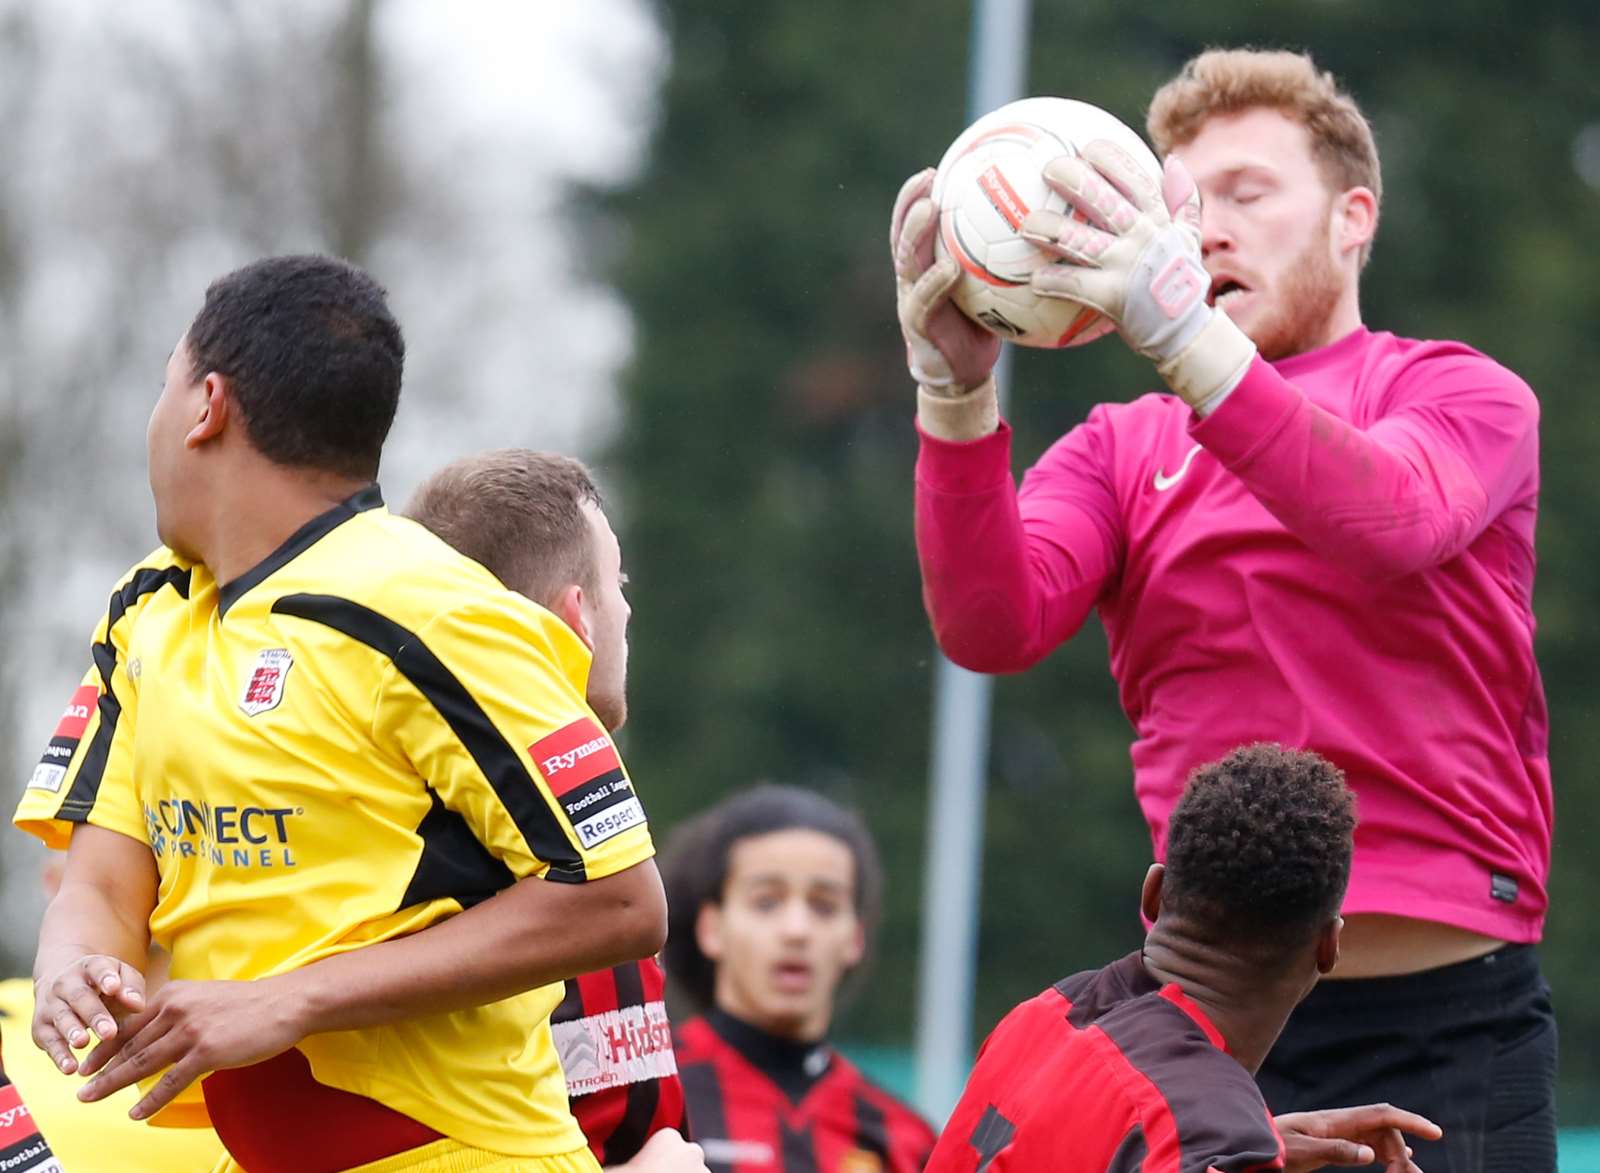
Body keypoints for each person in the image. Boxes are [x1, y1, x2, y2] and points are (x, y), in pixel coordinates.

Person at [891, 48, 1553, 1170]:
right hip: (1206, 1033)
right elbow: (989, 628)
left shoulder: (1459, 391)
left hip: (1453, 1018)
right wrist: (953, 395)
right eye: (1180, 205)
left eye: (1248, 193)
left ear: (1353, 219)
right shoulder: (1118, 443)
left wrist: (1188, 347)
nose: (1201, 231)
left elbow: (1387, 519)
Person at [13, 255, 673, 1173]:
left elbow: (622, 897)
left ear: (206, 405)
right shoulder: (147, 612)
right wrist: (73, 967)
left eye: (163, 384)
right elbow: (99, 885)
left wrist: (288, 998)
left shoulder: (435, 609)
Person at [925, 744, 1442, 1173]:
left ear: (1153, 893)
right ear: (1328, 946)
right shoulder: (1201, 1130)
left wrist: (1252, 1141)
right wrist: (1226, 1142)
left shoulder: (1042, 1016)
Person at [405, 450, 691, 1169]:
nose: (627, 607)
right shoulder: (440, 863)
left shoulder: (599, 832)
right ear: (578, 616)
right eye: (615, 582)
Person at [659, 785, 936, 1173]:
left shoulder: (904, 1141)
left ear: (855, 936)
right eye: (766, 902)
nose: (797, 929)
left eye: (824, 906)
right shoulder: (649, 1097)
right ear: (711, 928)